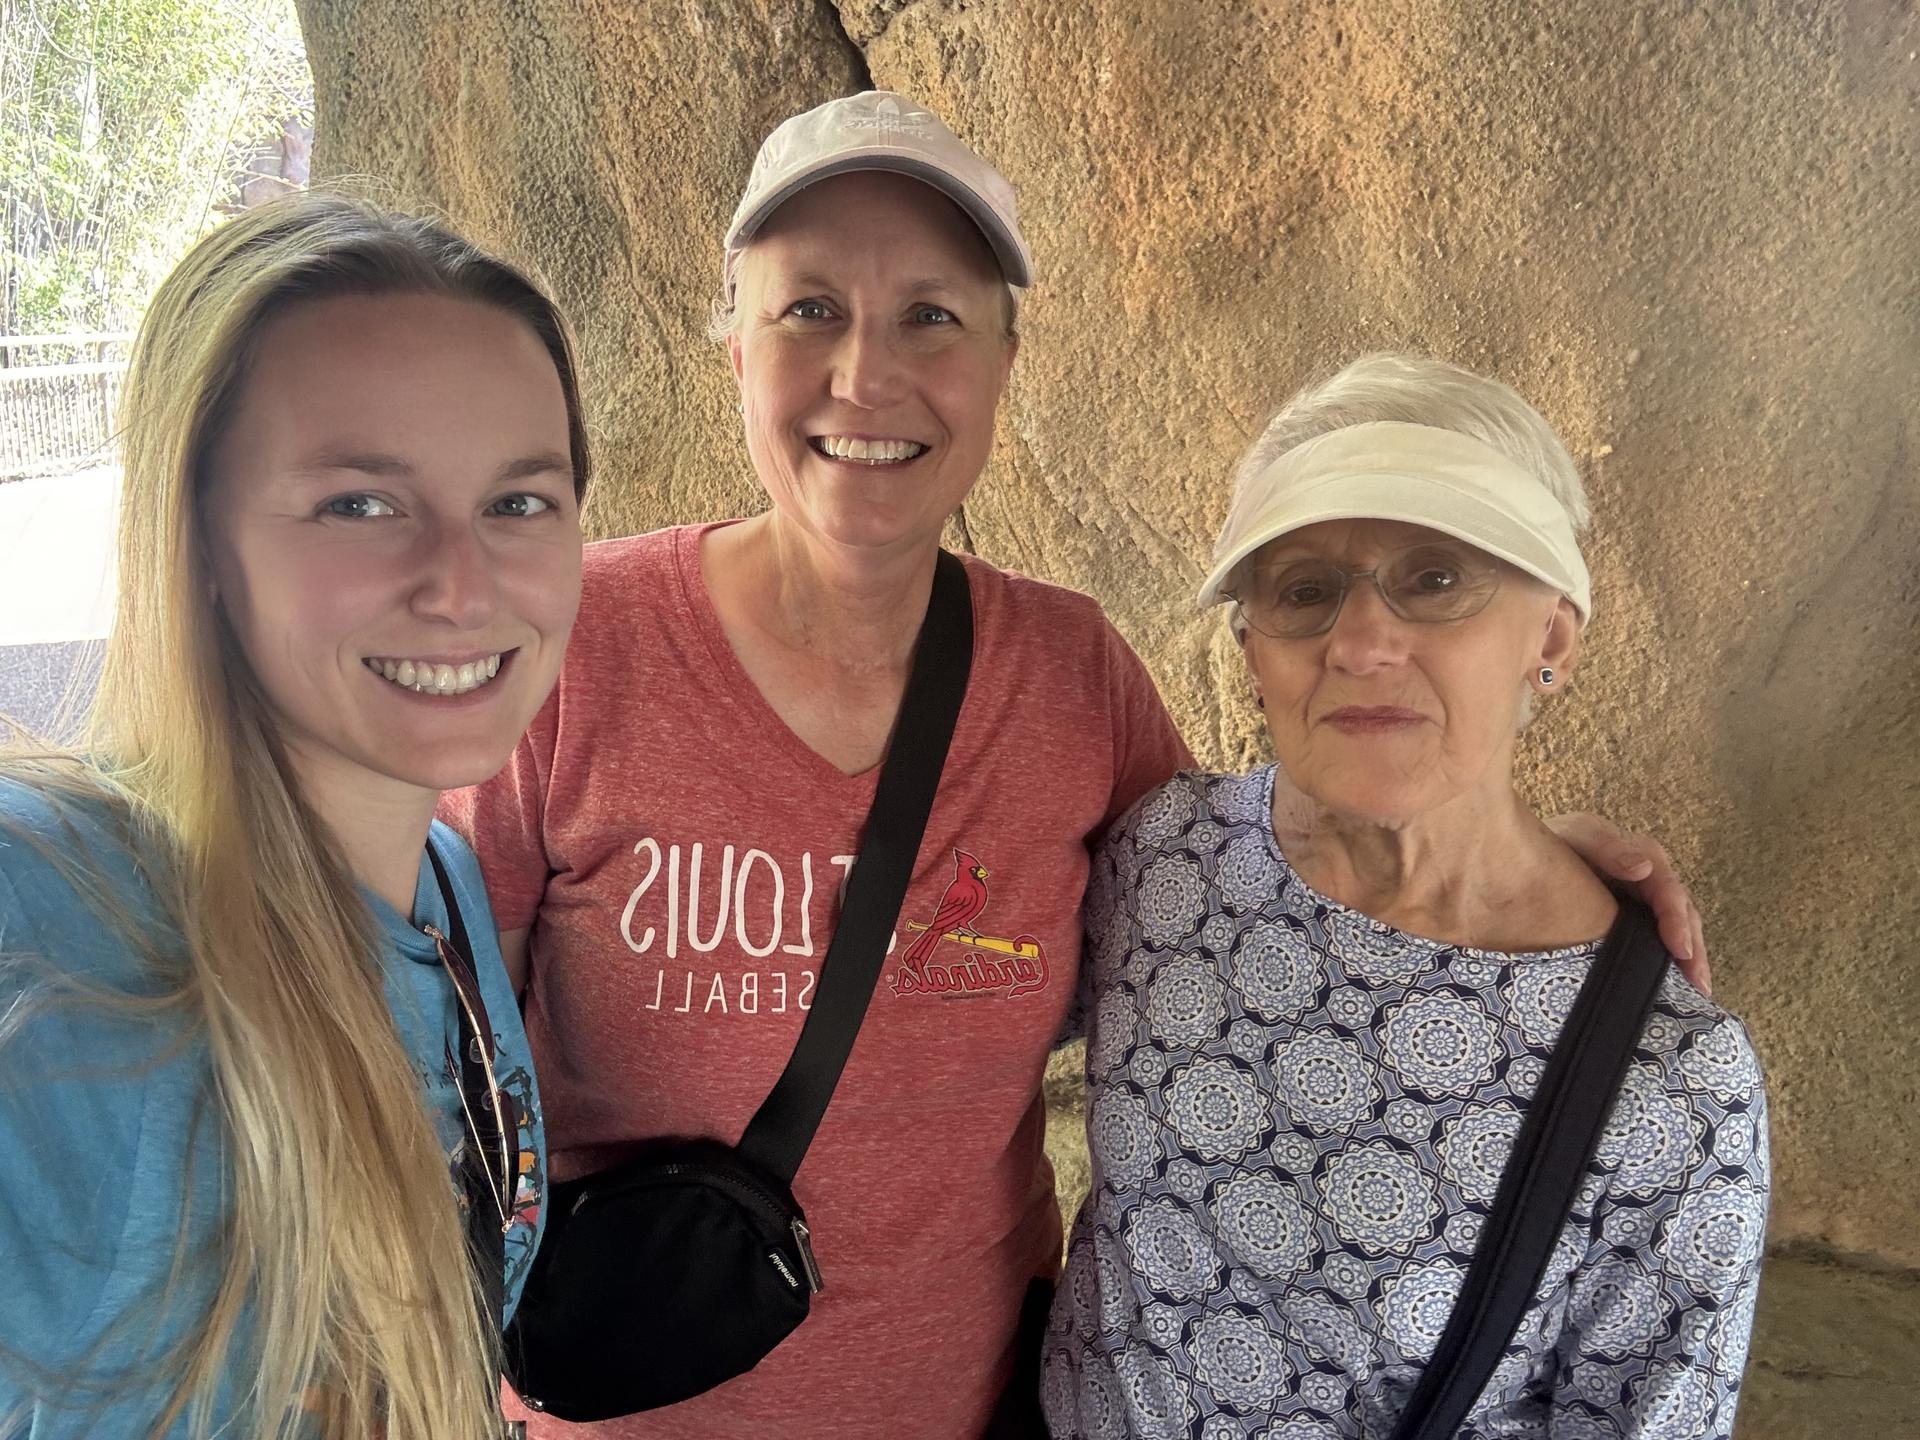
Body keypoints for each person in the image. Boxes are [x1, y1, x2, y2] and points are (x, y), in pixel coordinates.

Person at [448, 95, 1705, 1440]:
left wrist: (1515, 854)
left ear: (1001, 363)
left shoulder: (1069, 677)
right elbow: (419, 1075)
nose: (865, 374)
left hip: (979, 1414)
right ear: (735, 347)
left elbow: (1257, 882)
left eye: (932, 315)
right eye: (808, 309)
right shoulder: (572, 647)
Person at [1041, 354, 1769, 1439]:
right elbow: (953, 1024)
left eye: (1435, 579)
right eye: (1304, 591)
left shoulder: (1677, 1090)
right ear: (1252, 652)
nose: (1362, 644)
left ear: (1550, 638)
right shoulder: (1164, 856)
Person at [0, 191, 589, 1439]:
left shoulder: (442, 884)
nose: (461, 585)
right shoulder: (49, 900)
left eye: (518, 502)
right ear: (200, 539)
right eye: (359, 504)